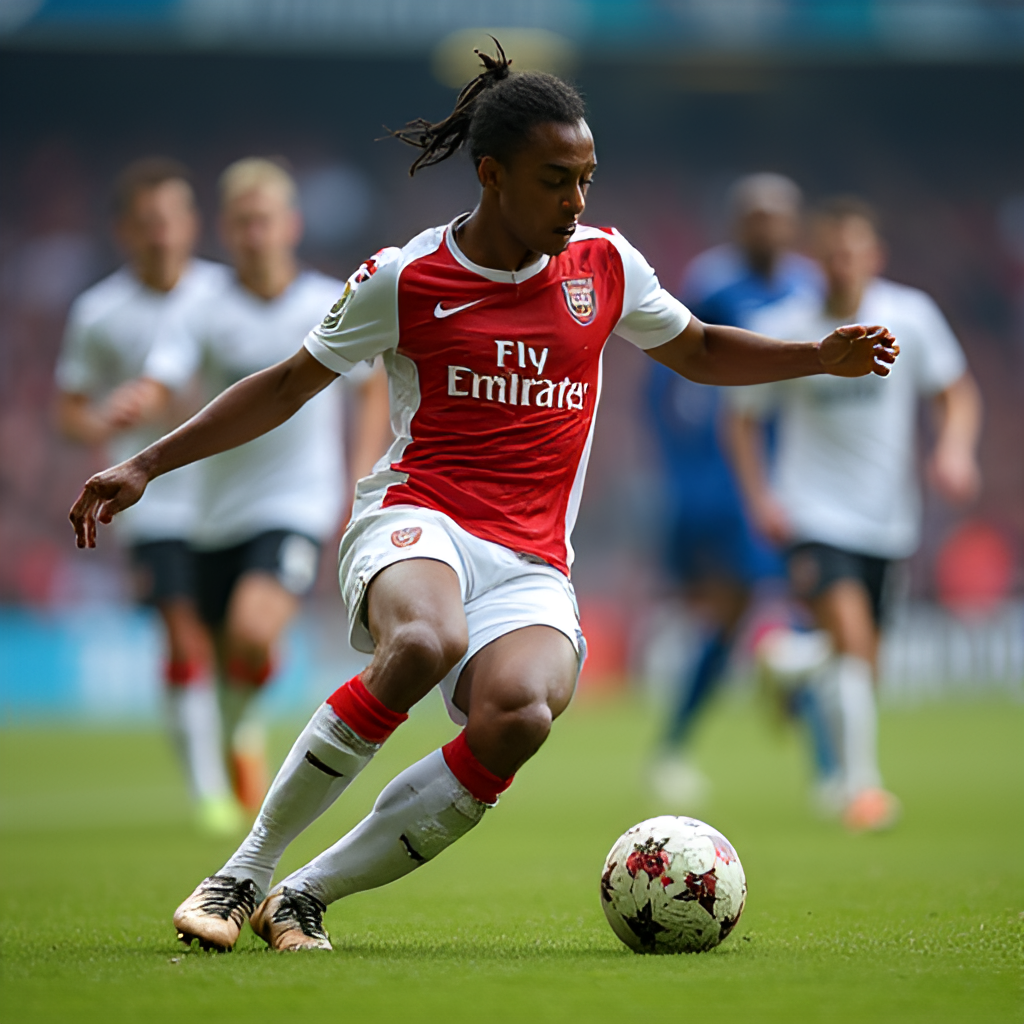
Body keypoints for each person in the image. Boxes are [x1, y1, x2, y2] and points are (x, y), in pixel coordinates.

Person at [69, 44, 897, 952]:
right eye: (556, 181)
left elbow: (696, 349)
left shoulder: (605, 266)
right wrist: (146, 464)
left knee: (522, 714)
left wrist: (817, 355)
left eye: (587, 178)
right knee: (426, 640)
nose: (578, 202)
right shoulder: (406, 277)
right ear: (493, 174)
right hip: (416, 518)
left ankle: (304, 894)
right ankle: (242, 874)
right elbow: (284, 384)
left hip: (533, 560)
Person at [122, 157, 391, 812]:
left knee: (250, 629)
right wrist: (143, 397)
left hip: (297, 501)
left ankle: (238, 728)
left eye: (264, 221)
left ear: (290, 226)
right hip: (214, 512)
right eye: (242, 223)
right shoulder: (201, 310)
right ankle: (237, 725)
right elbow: (167, 370)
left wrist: (360, 468)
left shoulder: (327, 302)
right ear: (226, 229)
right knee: (225, 655)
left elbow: (372, 382)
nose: (254, 235)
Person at [726, 196, 982, 831]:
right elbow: (741, 419)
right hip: (813, 514)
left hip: (889, 519)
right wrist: (762, 497)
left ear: (875, 257)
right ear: (818, 261)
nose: (843, 265)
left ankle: (786, 661)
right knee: (852, 637)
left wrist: (953, 450)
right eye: (832, 254)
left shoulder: (910, 317)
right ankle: (860, 790)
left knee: (861, 660)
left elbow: (957, 391)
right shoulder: (790, 325)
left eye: (854, 252)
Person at [54, 157, 239, 834]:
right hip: (149, 503)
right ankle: (210, 791)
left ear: (192, 223)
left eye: (172, 219)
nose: (162, 234)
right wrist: (103, 421)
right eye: (147, 223)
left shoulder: (224, 294)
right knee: (183, 635)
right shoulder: (99, 312)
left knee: (235, 643)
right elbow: (68, 411)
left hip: (226, 493)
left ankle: (233, 741)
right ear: (124, 231)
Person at [646, 174, 832, 806]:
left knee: (799, 613)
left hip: (803, 474)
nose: (766, 228)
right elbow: (670, 380)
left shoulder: (811, 287)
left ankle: (827, 765)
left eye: (777, 217)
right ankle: (827, 768)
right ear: (736, 223)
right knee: (743, 612)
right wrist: (684, 468)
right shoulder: (710, 283)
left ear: (794, 223)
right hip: (732, 477)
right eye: (755, 216)